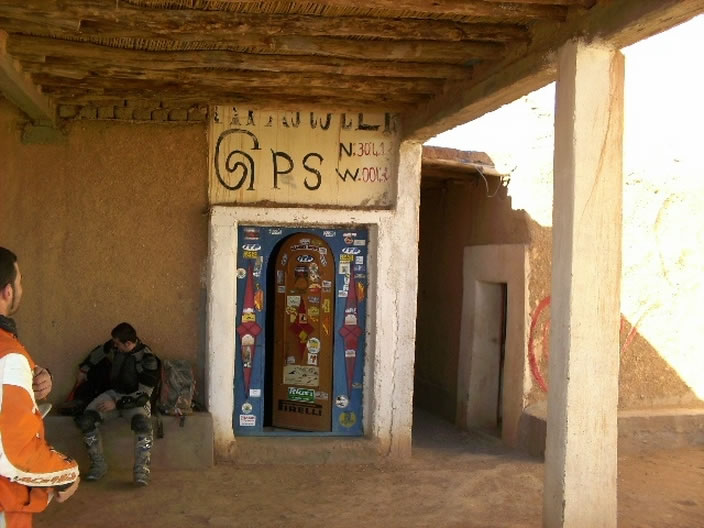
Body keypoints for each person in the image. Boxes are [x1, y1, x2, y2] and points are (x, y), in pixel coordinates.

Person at [0, 247, 80, 527]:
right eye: (20, 281)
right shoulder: (7, 354)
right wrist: (66, 473)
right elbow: (14, 453)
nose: (22, 288)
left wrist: (34, 376)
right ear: (8, 291)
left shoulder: (9, 348)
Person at [74, 322, 158, 486]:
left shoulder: (147, 359)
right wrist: (84, 370)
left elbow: (144, 395)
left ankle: (141, 471)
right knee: (86, 420)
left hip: (134, 400)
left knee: (142, 424)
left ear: (128, 343)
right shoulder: (115, 346)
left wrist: (116, 403)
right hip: (113, 394)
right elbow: (100, 351)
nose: (115, 346)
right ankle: (98, 465)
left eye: (118, 344)